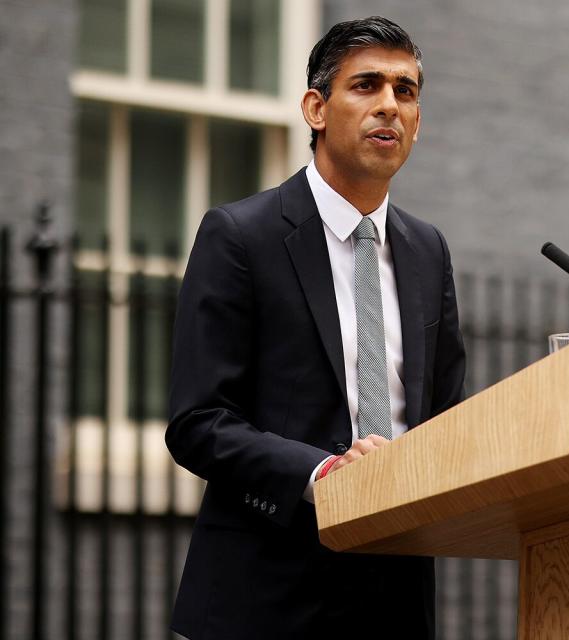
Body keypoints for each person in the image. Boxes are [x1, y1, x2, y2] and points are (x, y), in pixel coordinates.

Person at [166, 16, 466, 639]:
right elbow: (198, 423)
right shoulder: (240, 236)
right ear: (316, 108)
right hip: (267, 595)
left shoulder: (428, 250)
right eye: (366, 85)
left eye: (405, 91)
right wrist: (322, 476)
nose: (389, 105)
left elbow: (443, 416)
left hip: (396, 596)